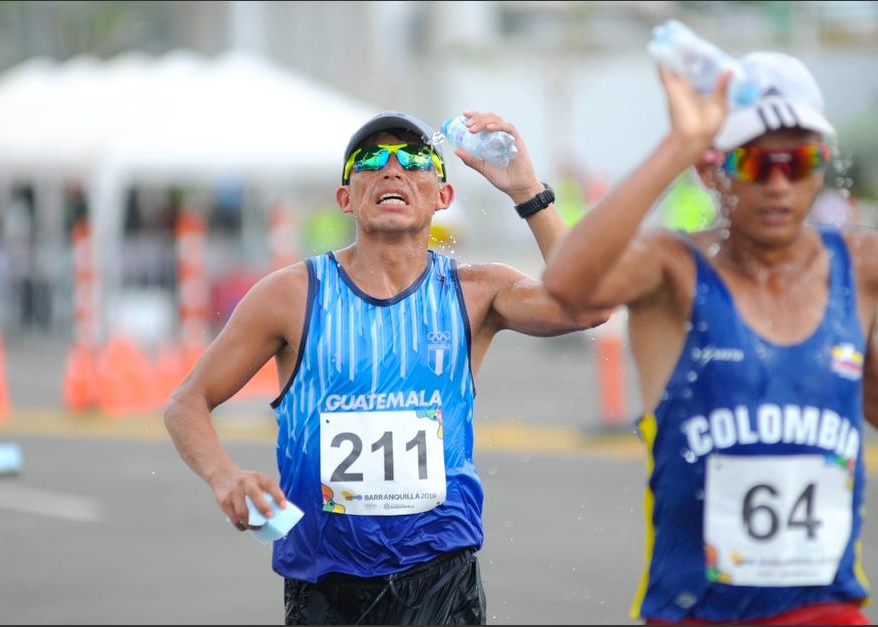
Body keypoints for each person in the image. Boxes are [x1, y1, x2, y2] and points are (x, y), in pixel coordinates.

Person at [164, 110, 608, 625]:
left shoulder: (477, 291)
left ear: (443, 196)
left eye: (416, 159)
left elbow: (589, 306)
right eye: (370, 158)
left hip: (442, 580)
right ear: (345, 198)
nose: (392, 169)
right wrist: (225, 476)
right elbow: (187, 401)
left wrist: (527, 190)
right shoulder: (290, 295)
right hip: (325, 586)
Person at [542, 48, 878, 625]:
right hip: (697, 611)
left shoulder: (861, 265)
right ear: (711, 168)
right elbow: (568, 284)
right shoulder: (671, 268)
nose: (778, 185)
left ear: (820, 167)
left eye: (797, 162)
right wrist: (679, 142)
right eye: (755, 164)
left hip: (825, 608)